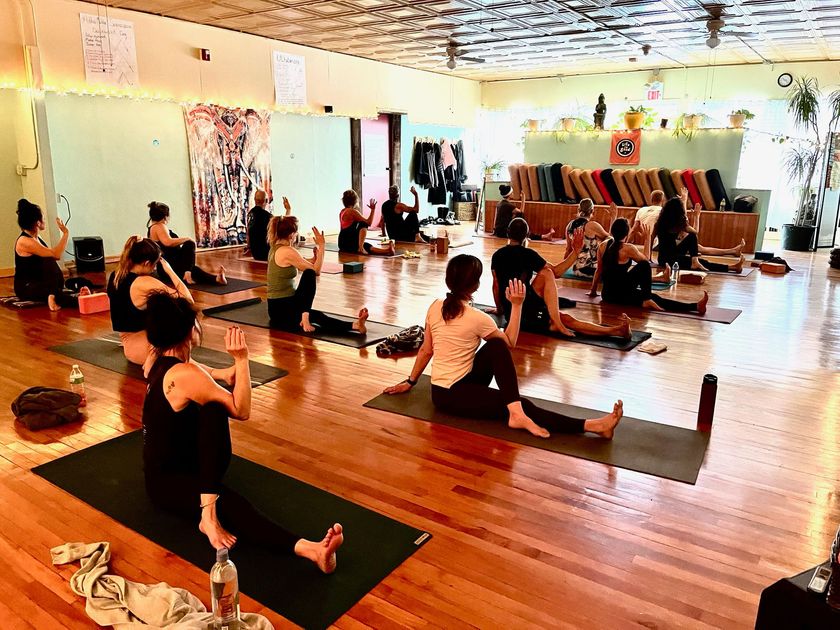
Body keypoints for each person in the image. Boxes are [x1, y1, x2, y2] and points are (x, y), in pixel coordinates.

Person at [141, 291, 344, 570]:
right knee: (215, 412)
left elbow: (195, 370)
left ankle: (211, 509)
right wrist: (241, 359)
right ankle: (309, 550)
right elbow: (241, 409)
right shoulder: (186, 375)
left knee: (210, 408)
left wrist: (222, 374)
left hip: (161, 475)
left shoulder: (154, 362)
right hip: (173, 484)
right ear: (190, 332)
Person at [383, 254, 623, 439]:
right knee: (521, 403)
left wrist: (411, 381)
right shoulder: (477, 317)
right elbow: (511, 343)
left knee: (496, 347)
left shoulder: (436, 305)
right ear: (476, 285)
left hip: (456, 385)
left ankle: (516, 411)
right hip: (451, 396)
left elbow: (428, 349)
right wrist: (516, 306)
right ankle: (593, 426)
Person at [491, 218, 631, 339]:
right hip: (521, 311)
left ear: (508, 233)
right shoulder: (528, 254)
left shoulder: (497, 255)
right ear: (526, 235)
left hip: (515, 306)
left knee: (547, 276)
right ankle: (558, 323)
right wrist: (576, 252)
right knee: (565, 317)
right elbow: (557, 272)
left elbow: (496, 285)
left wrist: (499, 309)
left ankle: (616, 330)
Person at [268, 215, 369, 334]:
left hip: (284, 303)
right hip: (281, 309)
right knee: (309, 274)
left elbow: (300, 262)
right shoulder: (287, 251)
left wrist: (313, 259)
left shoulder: (275, 247)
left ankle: (355, 325)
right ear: (291, 234)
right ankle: (305, 318)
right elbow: (316, 271)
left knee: (316, 315)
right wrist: (322, 246)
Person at [591, 217, 709, 314]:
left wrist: (593, 291)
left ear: (612, 232)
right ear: (626, 234)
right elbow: (646, 261)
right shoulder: (628, 249)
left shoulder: (603, 246)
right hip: (620, 295)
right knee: (646, 271)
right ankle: (693, 306)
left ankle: (695, 306)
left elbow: (599, 270)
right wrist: (647, 238)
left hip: (607, 294)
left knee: (655, 298)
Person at [107, 235, 194, 366]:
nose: (154, 269)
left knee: (186, 363)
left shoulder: (116, 275)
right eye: (154, 264)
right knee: (187, 317)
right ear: (147, 263)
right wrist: (170, 271)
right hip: (143, 345)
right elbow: (188, 300)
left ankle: (222, 374)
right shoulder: (144, 282)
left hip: (129, 342)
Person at [13, 198, 90, 311]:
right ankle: (75, 300)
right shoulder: (24, 241)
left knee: (70, 282)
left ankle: (57, 295)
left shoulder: (36, 238)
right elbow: (56, 254)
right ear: (38, 223)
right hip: (27, 286)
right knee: (50, 260)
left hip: (40, 282)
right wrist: (65, 233)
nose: (45, 220)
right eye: (43, 217)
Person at [655, 197, 744, 273]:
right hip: (668, 261)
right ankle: (732, 267)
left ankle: (695, 261)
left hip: (666, 256)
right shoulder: (677, 223)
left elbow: (651, 237)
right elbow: (695, 232)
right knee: (702, 261)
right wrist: (696, 217)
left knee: (692, 237)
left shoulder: (661, 222)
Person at [147, 201, 227, 285]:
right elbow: (168, 242)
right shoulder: (159, 226)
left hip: (172, 266)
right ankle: (188, 273)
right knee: (190, 243)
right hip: (169, 267)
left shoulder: (153, 228)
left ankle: (216, 279)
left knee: (193, 269)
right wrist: (186, 238)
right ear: (165, 216)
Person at [564, 198, 614, 278]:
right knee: (611, 240)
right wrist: (613, 217)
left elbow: (568, 249)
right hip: (591, 269)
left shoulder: (569, 225)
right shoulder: (592, 225)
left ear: (579, 209)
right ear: (592, 211)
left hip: (576, 270)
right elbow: (612, 240)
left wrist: (563, 269)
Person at [337, 190, 395, 256]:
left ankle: (387, 251)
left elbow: (345, 229)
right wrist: (373, 210)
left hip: (341, 243)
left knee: (366, 245)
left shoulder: (342, 211)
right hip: (348, 243)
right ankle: (361, 248)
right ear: (355, 200)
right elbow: (368, 223)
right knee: (363, 223)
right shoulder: (352, 211)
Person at [246, 191, 291, 261]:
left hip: (255, 254)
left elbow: (248, 233)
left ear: (254, 199)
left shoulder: (250, 214)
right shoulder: (268, 216)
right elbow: (283, 227)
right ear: (266, 200)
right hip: (267, 254)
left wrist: (248, 247)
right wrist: (288, 210)